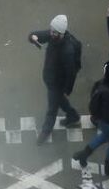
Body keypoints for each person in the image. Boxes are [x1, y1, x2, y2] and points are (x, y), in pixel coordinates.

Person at [73, 60, 109, 177]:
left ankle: (83, 155)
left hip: (101, 120)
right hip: (107, 123)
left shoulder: (102, 84)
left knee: (103, 137)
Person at [28, 14, 81, 145]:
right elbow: (37, 35)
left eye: (53, 32)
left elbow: (71, 73)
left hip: (57, 83)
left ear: (61, 33)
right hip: (51, 79)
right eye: (51, 30)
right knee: (59, 100)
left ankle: (45, 132)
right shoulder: (55, 36)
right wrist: (33, 37)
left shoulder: (67, 51)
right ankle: (73, 115)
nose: (50, 33)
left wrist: (67, 89)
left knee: (52, 109)